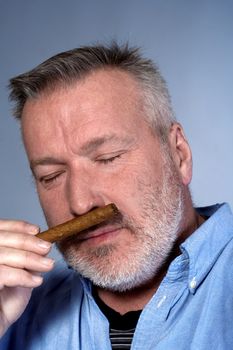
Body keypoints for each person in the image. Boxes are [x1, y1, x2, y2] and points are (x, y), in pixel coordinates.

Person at [0, 43, 233, 350]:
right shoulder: (18, 312)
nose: (81, 204)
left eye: (108, 158)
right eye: (51, 176)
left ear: (178, 155)